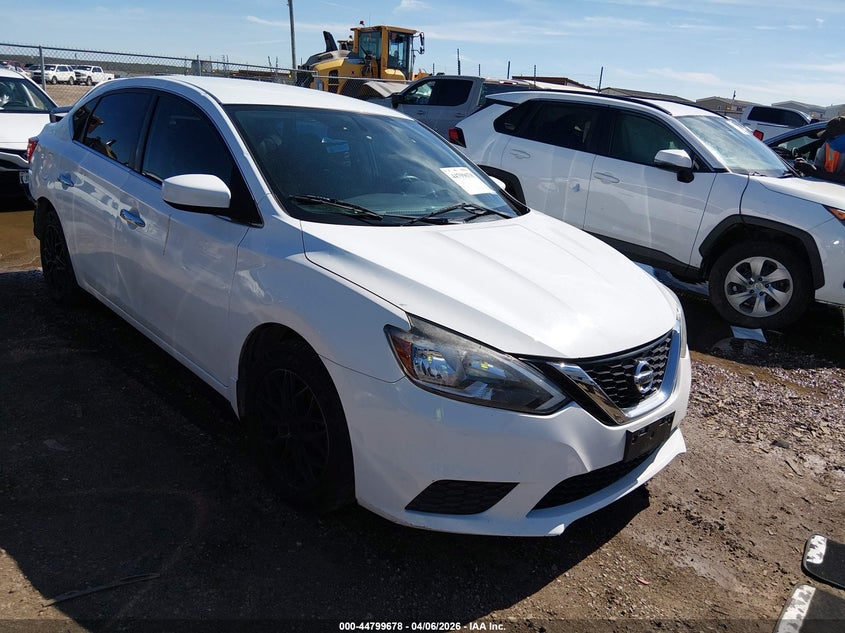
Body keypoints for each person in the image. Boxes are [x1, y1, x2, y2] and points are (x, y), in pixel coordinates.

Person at [793, 116, 845, 184]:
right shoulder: (828, 145)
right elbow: (819, 168)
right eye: (831, 138)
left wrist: (813, 172)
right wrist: (807, 166)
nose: (831, 141)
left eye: (836, 138)